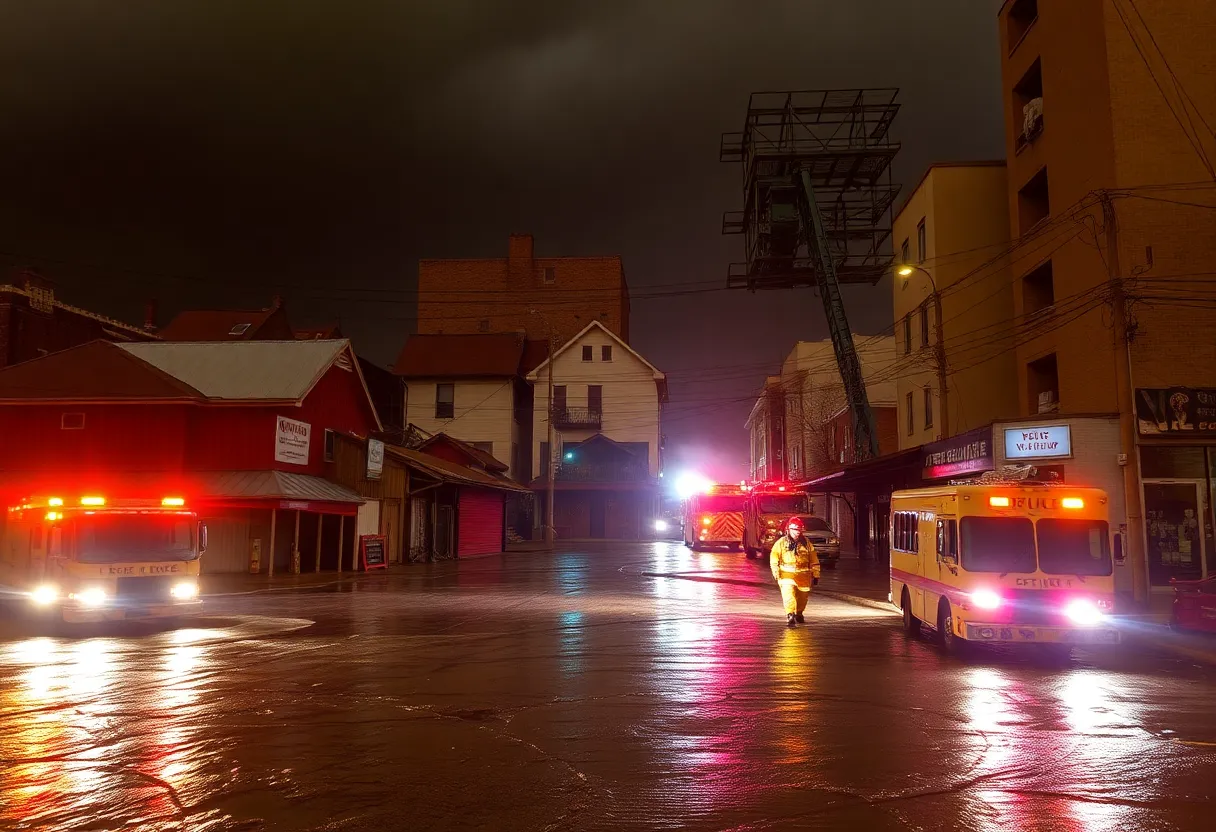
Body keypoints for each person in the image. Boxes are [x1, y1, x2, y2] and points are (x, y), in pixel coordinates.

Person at [770, 516, 821, 627]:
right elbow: (774, 558)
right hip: (786, 574)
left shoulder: (806, 543)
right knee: (788, 595)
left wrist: (816, 574)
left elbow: (813, 559)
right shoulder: (781, 543)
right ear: (788, 530)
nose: (797, 532)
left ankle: (799, 613)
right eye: (795, 529)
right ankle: (790, 614)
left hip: (803, 575)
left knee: (803, 597)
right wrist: (775, 571)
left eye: (799, 530)